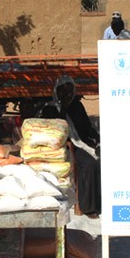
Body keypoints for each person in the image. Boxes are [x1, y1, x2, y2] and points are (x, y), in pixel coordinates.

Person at [39, 75, 101, 217]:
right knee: (89, 164)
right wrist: (63, 109)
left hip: (82, 143)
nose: (67, 94)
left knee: (102, 159)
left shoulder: (77, 106)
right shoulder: (50, 108)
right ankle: (87, 207)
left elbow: (86, 127)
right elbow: (54, 131)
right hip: (64, 147)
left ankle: (100, 201)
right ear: (56, 91)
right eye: (63, 90)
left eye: (70, 90)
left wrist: (95, 138)